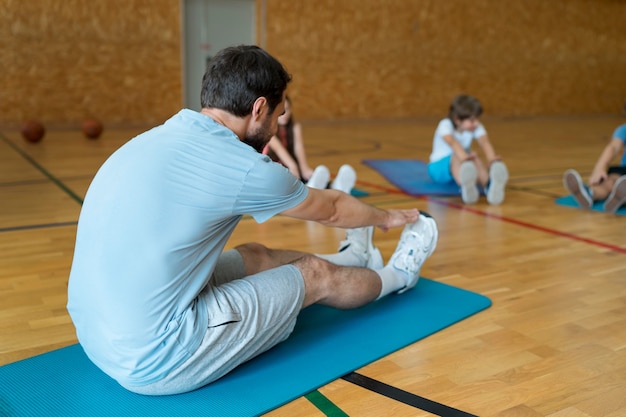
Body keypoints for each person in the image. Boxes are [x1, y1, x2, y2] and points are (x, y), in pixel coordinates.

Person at [66, 45, 439, 396]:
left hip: (95, 335)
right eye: (278, 116)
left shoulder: (155, 137)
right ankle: (401, 276)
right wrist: (389, 217)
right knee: (314, 274)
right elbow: (334, 210)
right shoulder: (242, 166)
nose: (277, 127)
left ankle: (357, 259)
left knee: (255, 254)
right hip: (156, 356)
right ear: (259, 109)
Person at [264, 95, 357, 192]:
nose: (285, 114)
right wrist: (294, 168)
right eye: (282, 111)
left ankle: (336, 187)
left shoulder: (295, 128)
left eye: (288, 109)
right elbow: (280, 151)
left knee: (309, 175)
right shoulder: (269, 132)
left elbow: (298, 148)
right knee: (289, 180)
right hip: (278, 171)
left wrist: (304, 168)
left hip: (291, 169)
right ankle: (310, 188)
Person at [427, 94, 509, 205]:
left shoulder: (475, 127)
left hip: (460, 165)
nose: (476, 123)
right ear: (457, 120)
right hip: (438, 169)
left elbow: (484, 142)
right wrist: (465, 158)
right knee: (459, 155)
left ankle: (489, 186)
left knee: (474, 157)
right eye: (472, 120)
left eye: (477, 119)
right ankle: (465, 186)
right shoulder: (445, 125)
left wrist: (492, 159)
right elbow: (453, 143)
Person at [563, 102, 626, 213]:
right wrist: (600, 167)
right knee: (609, 181)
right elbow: (613, 147)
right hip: (623, 172)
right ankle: (590, 194)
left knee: (618, 185)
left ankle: (620, 197)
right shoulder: (623, 130)